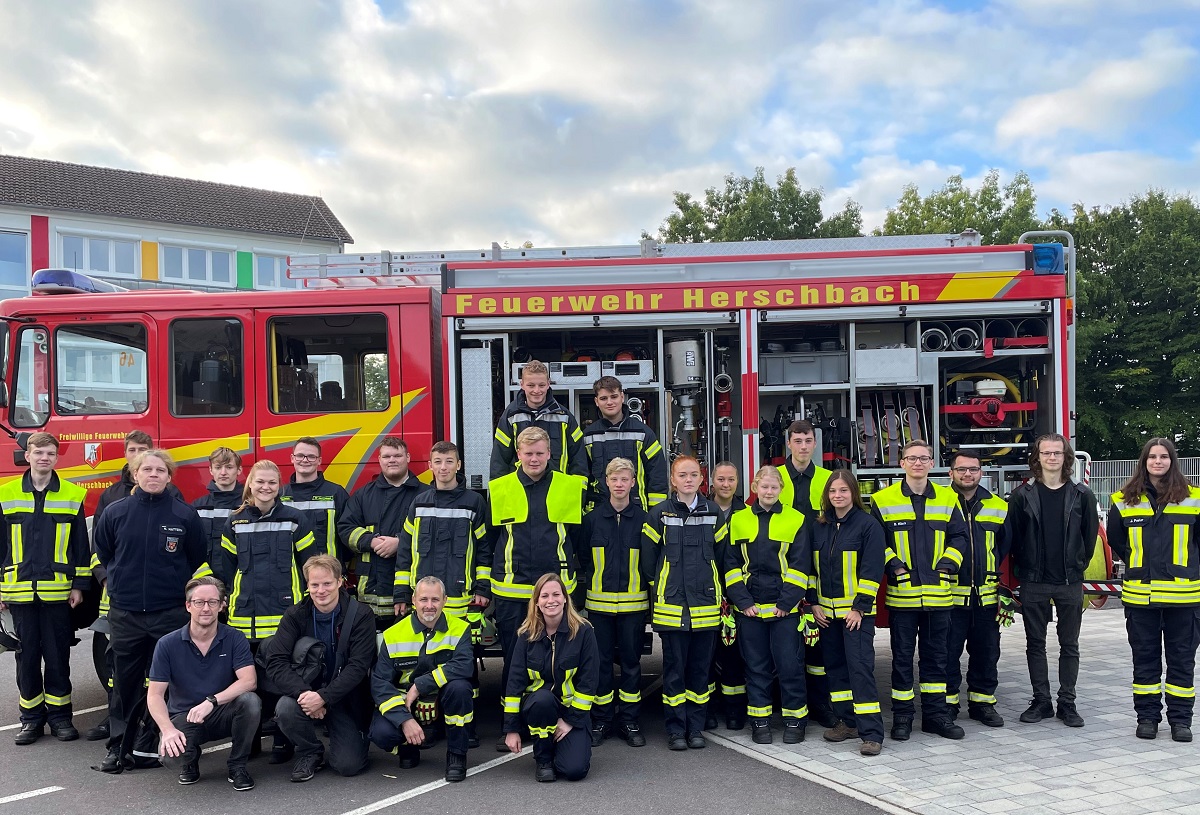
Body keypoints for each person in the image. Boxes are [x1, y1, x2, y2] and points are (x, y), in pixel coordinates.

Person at [92, 449, 208, 774]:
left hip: (169, 613)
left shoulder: (184, 515)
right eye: (147, 469)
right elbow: (103, 552)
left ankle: (153, 744)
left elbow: (196, 556)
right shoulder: (115, 513)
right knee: (124, 684)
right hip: (126, 614)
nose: (154, 475)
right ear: (135, 474)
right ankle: (118, 749)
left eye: (160, 470)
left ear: (169, 477)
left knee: (170, 683)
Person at [487, 426, 585, 749]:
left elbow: (577, 539)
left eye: (540, 453)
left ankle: (552, 720)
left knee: (557, 660)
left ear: (549, 454)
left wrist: (577, 581)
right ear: (518, 454)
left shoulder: (568, 486)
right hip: (512, 589)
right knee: (515, 660)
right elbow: (489, 539)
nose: (534, 458)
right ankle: (512, 727)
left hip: (555, 592)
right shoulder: (499, 488)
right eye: (528, 453)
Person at [871, 439, 967, 741]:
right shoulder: (882, 500)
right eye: (911, 458)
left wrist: (947, 566)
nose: (917, 463)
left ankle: (936, 716)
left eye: (924, 458)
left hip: (939, 596)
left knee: (937, 658)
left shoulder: (948, 499)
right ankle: (902, 718)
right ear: (902, 464)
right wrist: (895, 567)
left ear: (932, 463)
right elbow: (876, 543)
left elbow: (960, 537)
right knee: (901, 660)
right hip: (902, 597)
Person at [395, 440, 489, 747]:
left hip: (462, 600)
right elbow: (406, 551)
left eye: (450, 462)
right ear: (430, 466)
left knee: (465, 663)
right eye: (438, 462)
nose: (444, 467)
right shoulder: (419, 502)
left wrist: (484, 588)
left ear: (459, 465)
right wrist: (400, 592)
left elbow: (485, 549)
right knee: (426, 663)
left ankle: (466, 723)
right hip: (425, 602)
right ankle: (431, 723)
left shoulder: (474, 502)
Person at [1107, 437, 1199, 742]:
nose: (1158, 462)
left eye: (1164, 457)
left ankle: (1180, 721)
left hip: (1184, 600)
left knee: (1182, 661)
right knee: (1144, 661)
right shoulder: (1123, 499)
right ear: (1144, 462)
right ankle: (1147, 718)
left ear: (1173, 461)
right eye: (1152, 457)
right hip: (1140, 598)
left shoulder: (1194, 498)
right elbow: (1117, 542)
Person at [0, 432, 90, 744]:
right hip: (18, 594)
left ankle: (61, 718)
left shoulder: (71, 495)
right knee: (26, 660)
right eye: (39, 452)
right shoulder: (6, 493)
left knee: (57, 657)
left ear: (56, 457)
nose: (44, 458)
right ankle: (31, 721)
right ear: (27, 454)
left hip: (58, 594)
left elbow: (81, 545)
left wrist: (79, 585)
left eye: (50, 453)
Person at [88, 429, 177, 743]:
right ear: (131, 464)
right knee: (122, 673)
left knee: (161, 671)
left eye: (145, 451)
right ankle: (119, 740)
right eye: (133, 451)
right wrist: (108, 577)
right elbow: (102, 549)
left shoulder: (177, 505)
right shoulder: (112, 502)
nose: (143, 462)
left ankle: (153, 737)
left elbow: (188, 556)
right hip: (122, 607)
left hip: (164, 607)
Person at [1008, 433, 1099, 728]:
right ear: (1037, 457)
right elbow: (1015, 537)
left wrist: (1077, 565)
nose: (1051, 458)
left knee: (1069, 644)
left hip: (1069, 580)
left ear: (1065, 457)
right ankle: (1041, 701)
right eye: (1045, 453)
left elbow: (1090, 535)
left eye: (1057, 453)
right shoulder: (1022, 495)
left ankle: (1067, 703)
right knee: (1035, 643)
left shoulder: (1082, 494)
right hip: (1034, 580)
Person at [642, 455, 726, 751]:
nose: (688, 480)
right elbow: (648, 560)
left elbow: (723, 556)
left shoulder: (714, 512)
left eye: (693, 475)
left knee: (700, 673)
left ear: (702, 480)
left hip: (705, 608)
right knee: (675, 672)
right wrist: (662, 588)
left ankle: (696, 729)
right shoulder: (659, 514)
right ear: (673, 480)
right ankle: (676, 730)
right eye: (682, 475)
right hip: (672, 606)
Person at [267, 554, 376, 781]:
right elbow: (276, 662)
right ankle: (310, 751)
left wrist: (324, 697)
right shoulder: (295, 615)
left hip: (345, 698)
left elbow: (358, 666)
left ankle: (356, 738)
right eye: (314, 585)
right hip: (305, 694)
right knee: (285, 707)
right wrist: (306, 694)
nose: (321, 590)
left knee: (348, 766)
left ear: (340, 582)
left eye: (327, 583)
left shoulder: (361, 615)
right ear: (307, 585)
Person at [147, 576, 260, 791]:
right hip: (185, 716)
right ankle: (190, 760)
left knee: (250, 702)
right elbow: (154, 695)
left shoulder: (235, 638)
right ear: (188, 606)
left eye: (212, 602)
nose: (206, 608)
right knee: (170, 757)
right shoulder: (167, 644)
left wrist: (212, 701)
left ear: (222, 606)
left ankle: (237, 766)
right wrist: (167, 730)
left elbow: (249, 681)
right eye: (199, 602)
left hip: (221, 711)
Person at [724, 466, 810, 744]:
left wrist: (786, 603)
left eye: (774, 487)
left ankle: (795, 720)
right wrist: (743, 601)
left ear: (781, 490)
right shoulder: (738, 520)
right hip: (750, 611)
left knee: (789, 666)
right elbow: (731, 565)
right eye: (764, 487)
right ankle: (759, 721)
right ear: (754, 489)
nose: (769, 492)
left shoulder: (796, 519)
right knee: (756, 668)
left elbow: (800, 566)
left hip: (785, 611)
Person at [809, 471, 886, 756]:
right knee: (836, 672)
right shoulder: (819, 526)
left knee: (860, 671)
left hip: (856, 617)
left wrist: (860, 608)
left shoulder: (868, 526)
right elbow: (810, 569)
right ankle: (847, 722)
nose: (838, 496)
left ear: (853, 493)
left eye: (843, 490)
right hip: (826, 615)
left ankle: (872, 734)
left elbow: (872, 569)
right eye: (833, 491)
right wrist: (813, 602)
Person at [370, 576, 475, 783]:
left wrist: (420, 685)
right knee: (381, 733)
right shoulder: (393, 635)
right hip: (406, 703)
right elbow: (380, 683)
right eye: (424, 599)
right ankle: (408, 747)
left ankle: (456, 755)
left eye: (435, 600)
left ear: (445, 600)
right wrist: (404, 719)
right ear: (413, 600)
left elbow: (464, 665)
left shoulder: (460, 628)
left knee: (460, 688)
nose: (429, 606)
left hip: (440, 698)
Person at [578, 458, 648, 747]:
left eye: (625, 479)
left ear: (633, 483)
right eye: (614, 479)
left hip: (634, 607)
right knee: (601, 665)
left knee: (632, 664)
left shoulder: (645, 520)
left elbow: (650, 562)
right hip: (599, 607)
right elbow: (583, 557)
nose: (619, 485)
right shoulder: (592, 520)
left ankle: (630, 722)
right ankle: (602, 721)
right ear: (606, 482)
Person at [503, 573, 599, 783]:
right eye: (544, 596)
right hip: (540, 709)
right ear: (536, 602)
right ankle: (543, 758)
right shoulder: (525, 635)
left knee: (574, 770)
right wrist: (511, 729)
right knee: (542, 699)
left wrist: (570, 721)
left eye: (556, 594)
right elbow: (514, 683)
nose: (551, 600)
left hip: (571, 710)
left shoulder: (584, 632)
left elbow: (588, 682)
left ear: (565, 598)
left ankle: (561, 745)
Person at [776, 420, 837, 729]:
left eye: (807, 440)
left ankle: (820, 705)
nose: (802, 446)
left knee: (818, 646)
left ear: (815, 444)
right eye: (797, 440)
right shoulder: (775, 479)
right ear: (789, 443)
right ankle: (783, 702)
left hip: (819, 574)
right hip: (781, 575)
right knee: (783, 643)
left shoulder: (828, 480)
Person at [218, 460, 316, 643]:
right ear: (250, 484)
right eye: (260, 482)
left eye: (272, 483)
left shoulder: (295, 520)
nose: (266, 487)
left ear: (279, 486)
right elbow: (227, 570)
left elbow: (310, 565)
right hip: (245, 617)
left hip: (287, 613)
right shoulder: (234, 522)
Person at [339, 437, 432, 630]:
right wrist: (371, 541)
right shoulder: (364, 495)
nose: (392, 460)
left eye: (397, 455)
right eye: (387, 456)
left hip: (413, 590)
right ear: (379, 460)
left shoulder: (427, 495)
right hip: (371, 590)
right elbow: (345, 527)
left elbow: (435, 536)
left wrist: (400, 543)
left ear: (407, 458)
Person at [945, 450, 1010, 727]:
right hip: (949, 596)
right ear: (951, 473)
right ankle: (946, 706)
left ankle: (982, 704)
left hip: (986, 596)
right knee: (946, 654)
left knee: (987, 652)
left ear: (981, 473)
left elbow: (1004, 548)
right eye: (961, 470)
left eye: (973, 469)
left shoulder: (998, 506)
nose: (967, 474)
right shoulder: (940, 503)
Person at [490, 360, 587, 482]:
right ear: (522, 384)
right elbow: (499, 460)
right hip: (521, 491)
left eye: (541, 385)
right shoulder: (511, 416)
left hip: (557, 490)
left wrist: (578, 494)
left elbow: (579, 459)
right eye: (531, 385)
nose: (536, 390)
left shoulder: (564, 417)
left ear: (548, 384)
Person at [582, 375, 668, 509]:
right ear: (596, 401)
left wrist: (655, 514)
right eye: (604, 398)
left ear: (622, 397)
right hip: (598, 513)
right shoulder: (588, 436)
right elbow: (582, 476)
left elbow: (657, 476)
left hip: (637, 512)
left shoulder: (644, 434)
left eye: (614, 396)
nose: (609, 402)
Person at [708, 461, 747, 730]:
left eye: (731, 479)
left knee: (734, 655)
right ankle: (709, 709)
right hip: (708, 593)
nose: (726, 484)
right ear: (712, 482)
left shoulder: (746, 513)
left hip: (738, 592)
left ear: (737, 482)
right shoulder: (701, 510)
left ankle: (734, 710)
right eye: (721, 479)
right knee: (707, 656)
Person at [281, 437, 350, 565]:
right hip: (292, 575)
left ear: (319, 461)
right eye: (300, 456)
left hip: (328, 574)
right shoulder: (280, 495)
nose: (305, 460)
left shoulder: (335, 493)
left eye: (311, 457)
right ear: (292, 458)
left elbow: (347, 533)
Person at [192, 447, 244, 576]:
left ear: (239, 470)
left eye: (229, 467)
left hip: (241, 584)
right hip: (207, 585)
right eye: (218, 467)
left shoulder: (248, 505)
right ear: (210, 470)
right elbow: (191, 549)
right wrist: (207, 581)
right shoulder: (197, 507)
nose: (223, 472)